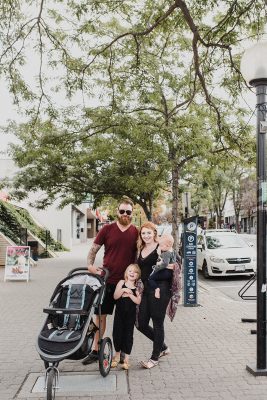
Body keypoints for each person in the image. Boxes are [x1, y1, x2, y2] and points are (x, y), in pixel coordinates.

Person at [82, 196, 138, 364]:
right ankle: (95, 350)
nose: (125, 214)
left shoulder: (136, 232)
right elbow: (93, 250)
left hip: (126, 285)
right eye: (122, 211)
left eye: (128, 212)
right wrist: (90, 266)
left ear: (132, 213)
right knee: (101, 316)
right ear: (117, 212)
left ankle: (121, 353)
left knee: (123, 321)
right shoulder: (106, 230)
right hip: (106, 280)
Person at [137, 221, 172, 369]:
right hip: (146, 289)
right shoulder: (140, 248)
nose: (146, 236)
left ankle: (154, 357)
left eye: (149, 233)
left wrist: (172, 265)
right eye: (143, 233)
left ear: (154, 234)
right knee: (141, 323)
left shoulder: (161, 246)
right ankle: (163, 347)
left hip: (161, 289)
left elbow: (175, 261)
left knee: (158, 323)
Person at [111, 264, 141, 370]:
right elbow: (115, 296)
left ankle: (127, 359)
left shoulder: (136, 288)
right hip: (119, 314)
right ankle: (117, 356)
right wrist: (123, 290)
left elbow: (138, 301)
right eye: (130, 271)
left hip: (130, 316)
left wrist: (130, 295)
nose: (132, 273)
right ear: (126, 273)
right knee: (117, 333)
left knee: (128, 335)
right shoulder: (121, 283)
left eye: (135, 272)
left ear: (137, 276)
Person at [148, 234, 175, 299]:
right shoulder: (172, 251)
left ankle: (156, 289)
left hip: (166, 272)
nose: (159, 247)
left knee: (150, 278)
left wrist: (156, 268)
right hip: (169, 273)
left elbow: (165, 264)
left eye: (161, 245)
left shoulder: (166, 253)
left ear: (167, 246)